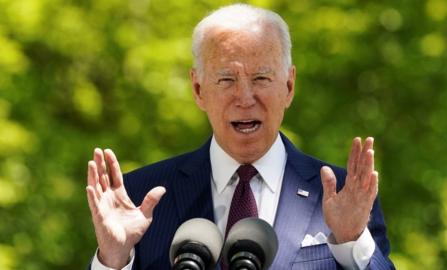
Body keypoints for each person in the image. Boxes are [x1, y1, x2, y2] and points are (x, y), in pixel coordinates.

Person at [86, 4, 395, 270]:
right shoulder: (140, 198)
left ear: (289, 86)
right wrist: (113, 259)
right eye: (226, 79)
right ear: (198, 90)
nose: (245, 98)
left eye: (261, 78)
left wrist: (352, 243)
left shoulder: (343, 197)